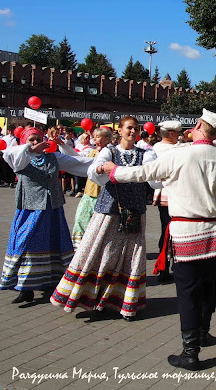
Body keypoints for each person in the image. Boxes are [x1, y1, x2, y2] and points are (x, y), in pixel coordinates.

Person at [99, 109, 216, 370]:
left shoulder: (179, 154)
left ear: (199, 126)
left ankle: (190, 352)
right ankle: (204, 333)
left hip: (189, 232)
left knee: (188, 292)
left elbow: (142, 173)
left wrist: (113, 171)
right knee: (208, 284)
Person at [51, 116, 156, 320]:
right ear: (121, 130)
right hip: (109, 211)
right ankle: (94, 299)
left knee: (131, 257)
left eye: (135, 128)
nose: (132, 132)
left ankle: (126, 303)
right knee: (101, 252)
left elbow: (154, 179)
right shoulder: (110, 151)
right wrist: (100, 168)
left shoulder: (146, 154)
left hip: (134, 212)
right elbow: (94, 171)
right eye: (129, 128)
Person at [0, 127, 93, 303]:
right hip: (30, 210)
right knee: (26, 246)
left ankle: (53, 281)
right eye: (31, 140)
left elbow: (79, 163)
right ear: (23, 142)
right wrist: (29, 149)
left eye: (38, 139)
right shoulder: (20, 158)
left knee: (54, 243)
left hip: (52, 209)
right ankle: (25, 288)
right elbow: (8, 155)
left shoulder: (53, 157)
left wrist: (103, 165)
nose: (35, 143)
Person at [65, 127, 113, 248]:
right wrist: (63, 145)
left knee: (99, 226)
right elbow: (76, 158)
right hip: (88, 193)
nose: (95, 139)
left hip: (104, 195)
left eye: (98, 137)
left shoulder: (112, 153)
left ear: (107, 139)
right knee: (81, 220)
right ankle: (79, 248)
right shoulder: (91, 152)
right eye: (95, 137)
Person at [151, 120, 183, 283]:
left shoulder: (155, 148)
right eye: (177, 132)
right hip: (171, 195)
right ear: (171, 133)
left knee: (167, 231)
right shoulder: (174, 148)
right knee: (170, 232)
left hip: (167, 195)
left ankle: (166, 267)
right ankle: (166, 268)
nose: (179, 135)